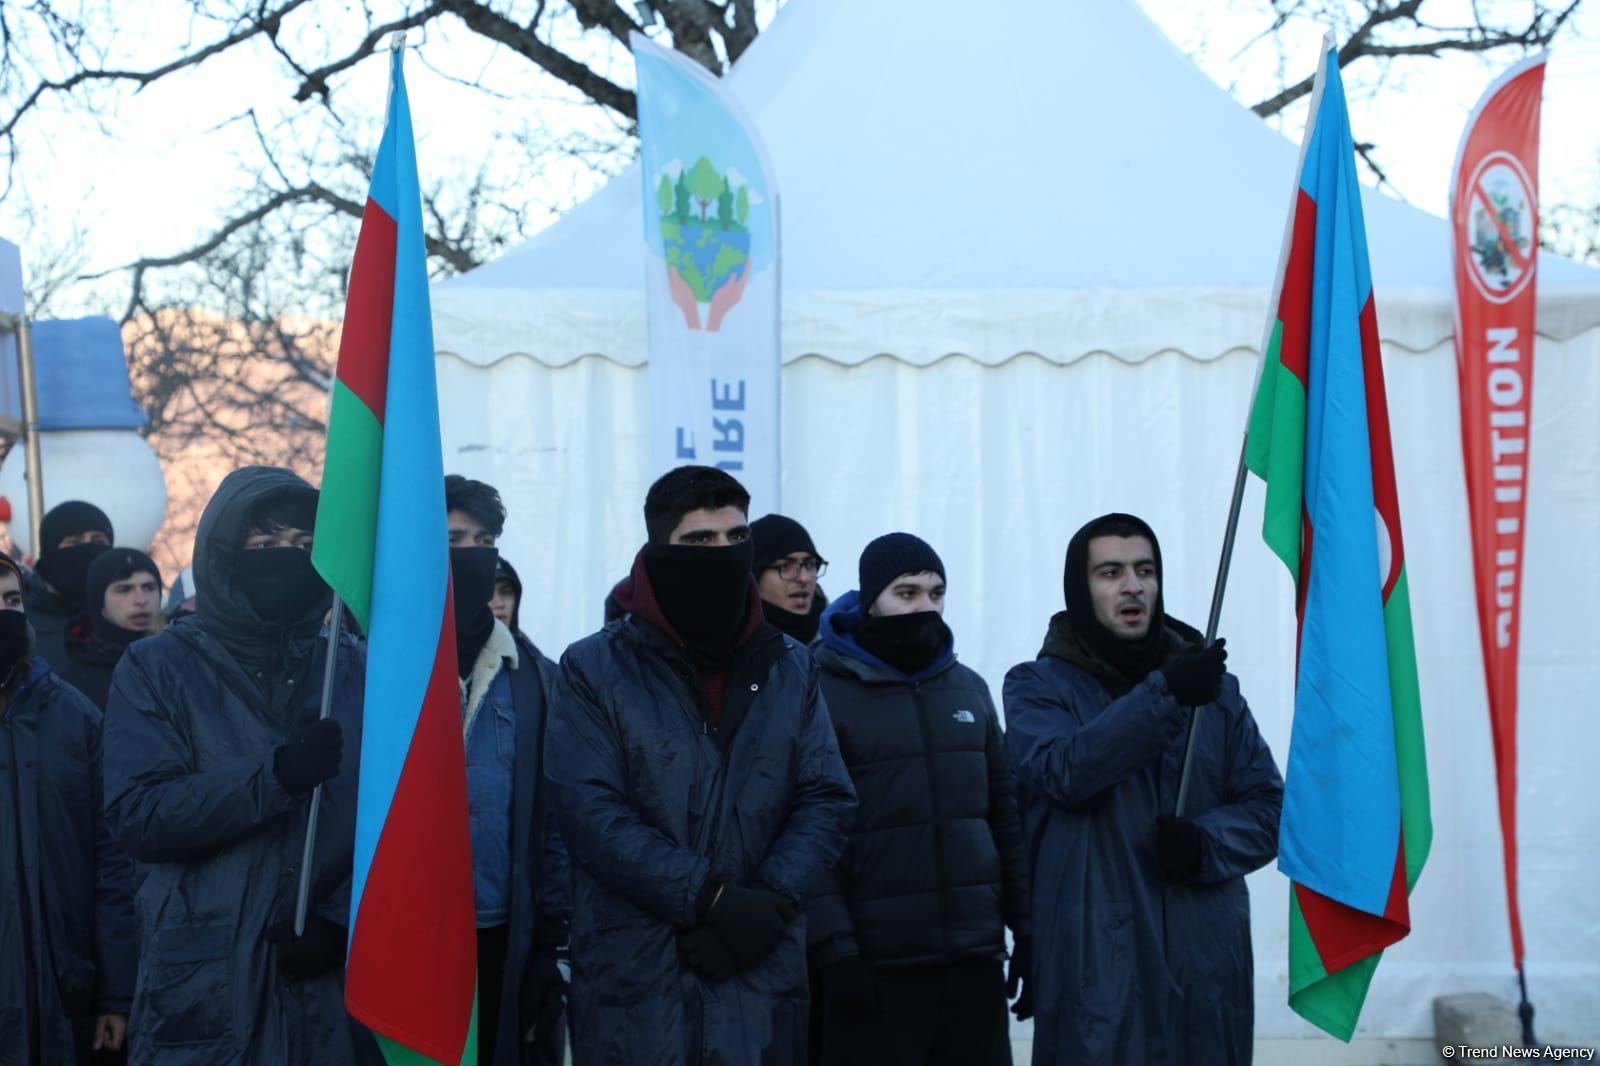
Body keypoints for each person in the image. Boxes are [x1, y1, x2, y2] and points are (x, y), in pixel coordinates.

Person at [547, 464, 856, 1065]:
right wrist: (710, 898)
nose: (722, 552)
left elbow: (826, 796)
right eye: (700, 540)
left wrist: (767, 901)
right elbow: (588, 811)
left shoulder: (793, 665)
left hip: (760, 978)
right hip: (638, 986)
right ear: (660, 549)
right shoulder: (592, 668)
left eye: (736, 538)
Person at [102, 467, 371, 1065]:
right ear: (226, 551)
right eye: (267, 545)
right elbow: (139, 814)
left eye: (303, 547)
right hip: (205, 989)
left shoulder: (352, 668)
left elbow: (395, 817)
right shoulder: (157, 667)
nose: (288, 559)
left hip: (332, 992)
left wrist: (336, 921)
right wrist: (274, 777)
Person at [1002, 513, 1283, 1065]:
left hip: (1205, 975)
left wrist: (1208, 844)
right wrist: (1166, 694)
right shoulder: (1035, 687)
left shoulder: (1216, 694)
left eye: (1145, 570)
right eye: (1110, 572)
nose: (1133, 586)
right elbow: (1065, 772)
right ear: (1081, 589)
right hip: (1100, 973)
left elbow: (1272, 809)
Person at [809, 533, 1030, 1066]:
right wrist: (835, 950)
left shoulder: (969, 690)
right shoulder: (820, 691)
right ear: (871, 603)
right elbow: (810, 835)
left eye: (935, 593)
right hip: (877, 969)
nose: (923, 607)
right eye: (905, 594)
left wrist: (1027, 929)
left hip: (974, 964)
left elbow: (1004, 819)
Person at [442, 474, 569, 1066]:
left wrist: (551, 943)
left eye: (484, 539)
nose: (472, 554)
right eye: (454, 539)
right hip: (405, 926)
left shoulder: (535, 678)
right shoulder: (373, 664)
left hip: (501, 930)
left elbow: (555, 819)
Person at [0, 552, 136, 1063]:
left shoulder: (74, 717)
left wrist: (116, 994)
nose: (4, 613)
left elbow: (114, 864)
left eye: (12, 600)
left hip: (65, 1000)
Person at [63, 548, 163, 709]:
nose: (141, 600)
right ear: (99, 601)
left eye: (149, 587)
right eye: (124, 589)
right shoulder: (72, 686)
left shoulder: (178, 664)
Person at [27, 500, 115, 671]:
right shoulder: (20, 623)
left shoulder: (123, 616)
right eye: (74, 542)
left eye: (98, 542)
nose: (87, 549)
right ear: (50, 552)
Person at [750, 514, 829, 644]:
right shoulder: (731, 651)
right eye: (785, 566)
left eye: (809, 564)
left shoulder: (841, 642)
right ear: (754, 578)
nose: (804, 578)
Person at [490, 555, 522, 634]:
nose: (499, 603)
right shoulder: (457, 646)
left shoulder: (524, 645)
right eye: (487, 592)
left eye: (506, 592)